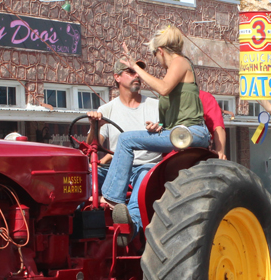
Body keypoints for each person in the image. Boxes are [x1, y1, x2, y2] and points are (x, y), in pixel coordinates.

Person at [101, 26, 211, 207]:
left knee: (126, 140)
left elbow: (163, 88)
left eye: (155, 56)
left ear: (159, 51)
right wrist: (159, 126)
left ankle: (112, 197)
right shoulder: (175, 70)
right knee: (131, 145)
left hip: (192, 132)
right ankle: (132, 221)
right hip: (178, 132)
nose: (158, 62)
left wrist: (135, 67)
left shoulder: (179, 61)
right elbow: (176, 109)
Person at [86, 58, 161, 233]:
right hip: (117, 168)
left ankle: (130, 226)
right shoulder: (107, 109)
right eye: (131, 72)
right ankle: (79, 222)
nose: (137, 76)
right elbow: (92, 146)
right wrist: (94, 125)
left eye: (138, 72)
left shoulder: (155, 106)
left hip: (147, 166)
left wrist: (158, 129)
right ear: (117, 77)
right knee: (86, 177)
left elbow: (170, 134)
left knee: (142, 183)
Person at [199, 91, 228, 160]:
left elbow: (218, 126)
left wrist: (220, 152)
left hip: (197, 147)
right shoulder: (168, 95)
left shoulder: (204, 97)